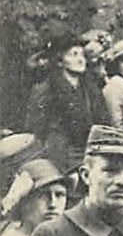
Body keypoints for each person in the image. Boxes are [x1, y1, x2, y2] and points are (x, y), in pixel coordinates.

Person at [26, 34, 110, 171]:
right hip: (61, 154)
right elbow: (37, 127)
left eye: (82, 55)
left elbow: (102, 119)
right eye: (73, 54)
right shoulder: (46, 89)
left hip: (89, 150)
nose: (80, 59)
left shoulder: (91, 88)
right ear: (60, 61)